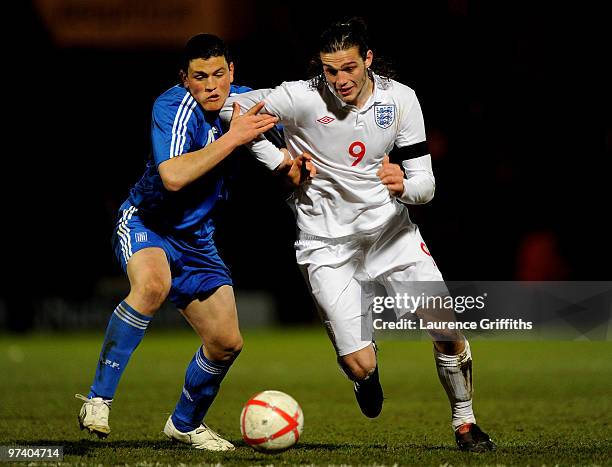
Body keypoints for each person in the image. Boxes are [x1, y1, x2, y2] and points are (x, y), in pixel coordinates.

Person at [226, 18, 496, 452]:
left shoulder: (400, 99)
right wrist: (278, 159)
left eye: (349, 68)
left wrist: (403, 185)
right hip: (325, 244)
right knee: (359, 365)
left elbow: (426, 186)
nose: (340, 80)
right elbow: (230, 111)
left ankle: (465, 423)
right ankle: (365, 375)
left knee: (446, 328)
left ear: (367, 59)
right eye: (331, 70)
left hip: (391, 236)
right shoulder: (299, 96)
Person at [75, 33, 287, 451]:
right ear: (185, 79)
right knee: (152, 286)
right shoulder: (171, 106)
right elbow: (172, 177)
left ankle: (185, 425)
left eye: (219, 74)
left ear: (233, 73)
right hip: (148, 222)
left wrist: (300, 162)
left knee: (227, 343)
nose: (211, 85)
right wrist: (234, 137)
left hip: (197, 239)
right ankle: (98, 399)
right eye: (200, 76)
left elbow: (295, 126)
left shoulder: (243, 102)